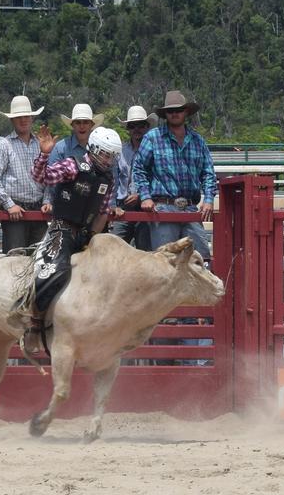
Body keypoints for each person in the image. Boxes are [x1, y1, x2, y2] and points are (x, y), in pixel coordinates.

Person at [22, 124, 124, 339]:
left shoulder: (108, 179)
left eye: (112, 157)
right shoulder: (72, 165)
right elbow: (43, 178)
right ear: (95, 149)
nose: (108, 161)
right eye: (106, 155)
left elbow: (103, 212)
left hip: (86, 234)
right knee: (54, 270)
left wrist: (92, 239)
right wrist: (45, 154)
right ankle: (36, 317)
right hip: (61, 229)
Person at [131, 90, 217, 259]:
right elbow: (139, 168)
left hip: (190, 207)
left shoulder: (197, 140)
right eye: (171, 111)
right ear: (165, 114)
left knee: (201, 258)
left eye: (178, 110)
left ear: (186, 112)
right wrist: (146, 197)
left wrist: (208, 199)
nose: (175, 113)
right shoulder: (153, 138)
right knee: (165, 260)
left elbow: (208, 172)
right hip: (163, 207)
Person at [0, 95, 51, 253]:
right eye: (18, 117)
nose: (23, 120)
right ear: (12, 121)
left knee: (39, 261)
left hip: (38, 209)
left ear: (31, 118)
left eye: (26, 116)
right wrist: (9, 204)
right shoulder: (3, 146)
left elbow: (49, 177)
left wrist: (47, 200)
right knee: (15, 260)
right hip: (15, 210)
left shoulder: (41, 144)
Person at [110, 105, 154, 250]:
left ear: (147, 127)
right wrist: (113, 205)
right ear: (128, 128)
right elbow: (113, 180)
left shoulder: (155, 151)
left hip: (147, 207)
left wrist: (142, 195)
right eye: (132, 125)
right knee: (114, 249)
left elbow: (158, 179)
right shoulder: (120, 151)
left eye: (141, 125)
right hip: (123, 208)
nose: (137, 129)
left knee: (145, 252)